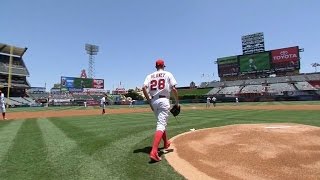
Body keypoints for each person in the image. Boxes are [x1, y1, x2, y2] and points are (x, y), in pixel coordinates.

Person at [142, 59, 179, 162]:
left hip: (154, 101)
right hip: (163, 100)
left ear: (156, 67)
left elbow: (143, 88)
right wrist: (177, 102)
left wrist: (149, 101)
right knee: (161, 124)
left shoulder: (149, 76)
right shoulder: (168, 74)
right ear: (164, 66)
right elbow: (174, 89)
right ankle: (154, 152)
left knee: (160, 122)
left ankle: (166, 143)